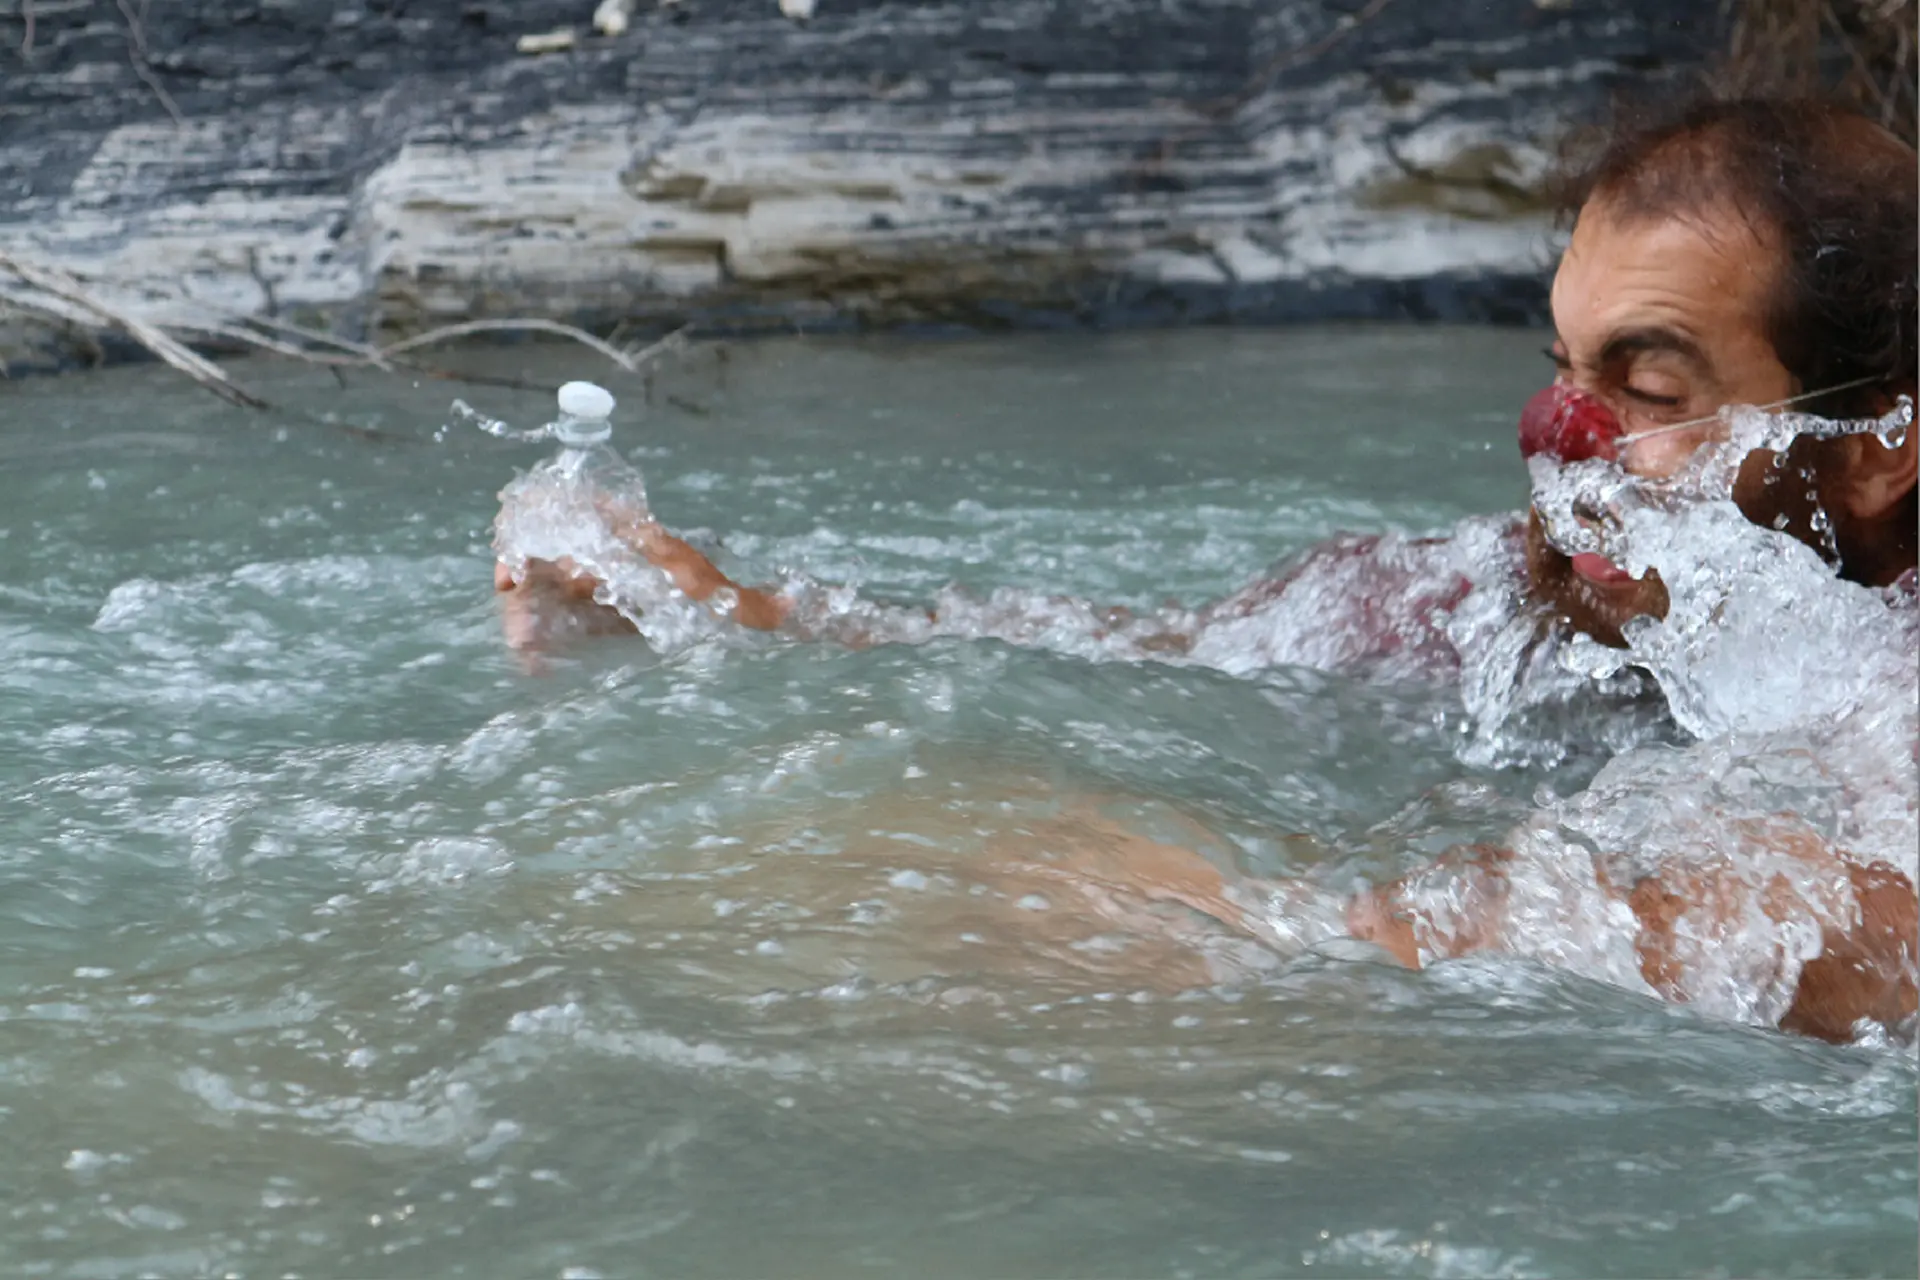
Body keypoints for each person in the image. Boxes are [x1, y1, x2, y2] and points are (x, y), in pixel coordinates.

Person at [493, 96, 1918, 1041]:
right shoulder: (1507, 602)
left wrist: (1290, 936)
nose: (1567, 443)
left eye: (1652, 389)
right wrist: (722, 611)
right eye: (1566, 368)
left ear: (1880, 446)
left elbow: (1867, 929)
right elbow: (1154, 646)